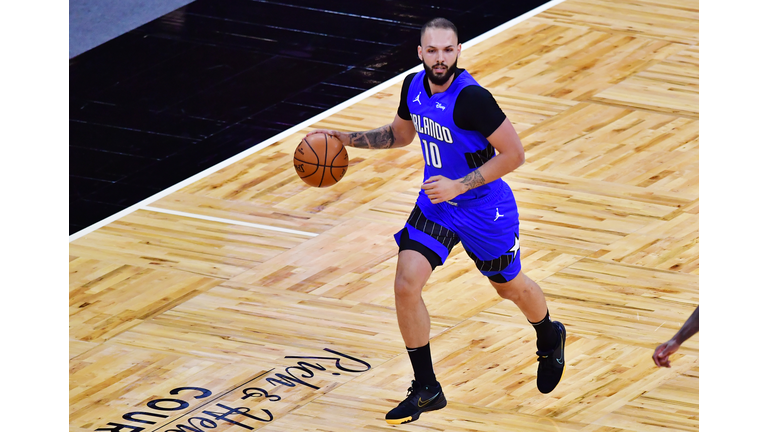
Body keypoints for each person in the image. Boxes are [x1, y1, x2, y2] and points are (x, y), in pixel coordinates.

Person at [305, 17, 566, 425]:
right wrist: (345, 137)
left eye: (448, 50)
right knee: (406, 283)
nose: (440, 57)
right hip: (438, 204)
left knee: (509, 288)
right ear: (421, 53)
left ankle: (550, 336)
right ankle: (427, 387)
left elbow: (515, 155)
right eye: (432, 50)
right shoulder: (412, 87)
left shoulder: (473, 99)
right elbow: (399, 135)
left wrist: (460, 185)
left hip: (485, 209)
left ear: (458, 50)